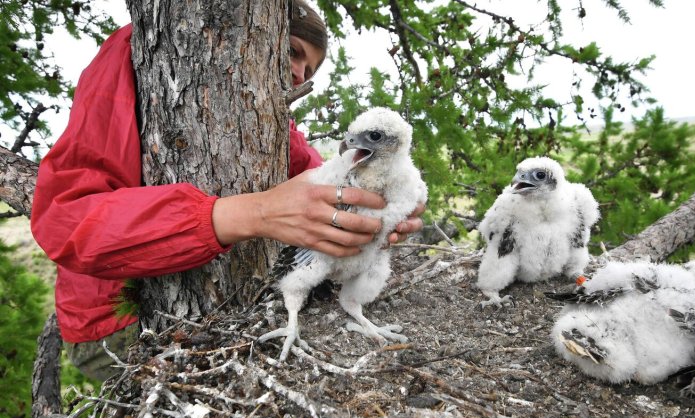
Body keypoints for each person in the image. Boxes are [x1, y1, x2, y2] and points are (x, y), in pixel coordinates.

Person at [30, 0, 424, 381]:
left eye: (310, 68)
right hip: (116, 325)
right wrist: (254, 214)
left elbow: (320, 176)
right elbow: (64, 221)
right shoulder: (137, 54)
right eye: (292, 51)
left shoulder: (267, 117)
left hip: (237, 303)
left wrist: (378, 206)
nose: (302, 75)